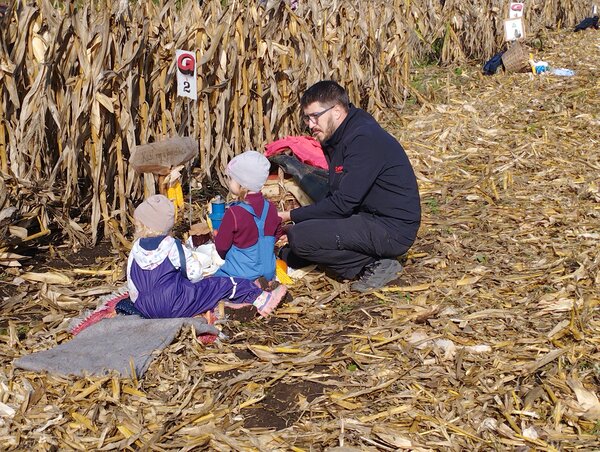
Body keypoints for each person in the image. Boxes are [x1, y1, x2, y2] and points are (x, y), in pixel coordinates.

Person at [278, 80, 421, 292]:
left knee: (300, 237)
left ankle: (374, 264)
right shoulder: (340, 134)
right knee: (298, 242)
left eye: (315, 116)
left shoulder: (363, 139)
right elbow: (339, 194)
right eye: (307, 118)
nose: (310, 124)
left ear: (336, 111)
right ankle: (308, 253)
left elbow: (343, 203)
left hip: (391, 228)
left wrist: (289, 216)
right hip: (366, 215)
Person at [127, 194, 286, 318]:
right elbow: (194, 274)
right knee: (221, 284)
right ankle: (262, 299)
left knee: (206, 294)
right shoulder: (171, 245)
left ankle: (230, 306)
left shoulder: (135, 248)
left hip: (145, 308)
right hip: (176, 303)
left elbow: (132, 285)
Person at [213, 151, 284, 281]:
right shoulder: (271, 208)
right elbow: (277, 233)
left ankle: (247, 292)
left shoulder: (234, 213)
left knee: (210, 285)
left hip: (240, 275)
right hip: (268, 272)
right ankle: (264, 287)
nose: (229, 182)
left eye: (231, 178)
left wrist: (217, 238)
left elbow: (222, 248)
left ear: (242, 182)